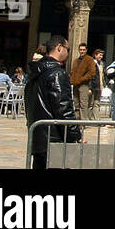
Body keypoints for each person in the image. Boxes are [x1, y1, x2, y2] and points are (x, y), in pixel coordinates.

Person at [24, 35, 83, 169]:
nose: (68, 53)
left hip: (38, 138)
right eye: (68, 49)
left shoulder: (35, 73)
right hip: (53, 139)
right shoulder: (57, 74)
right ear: (59, 48)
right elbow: (63, 107)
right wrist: (75, 135)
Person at [69, 43, 98, 120]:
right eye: (81, 50)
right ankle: (77, 120)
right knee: (76, 103)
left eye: (83, 50)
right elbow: (72, 72)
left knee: (83, 104)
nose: (82, 51)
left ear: (86, 50)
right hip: (75, 84)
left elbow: (91, 73)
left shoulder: (89, 60)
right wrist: (72, 80)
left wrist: (81, 79)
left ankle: (83, 122)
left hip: (84, 84)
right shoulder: (76, 60)